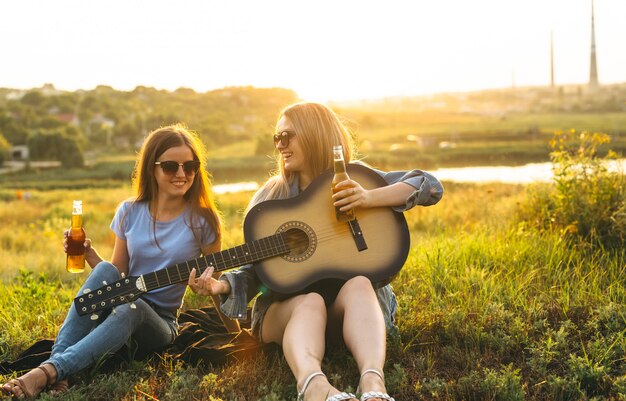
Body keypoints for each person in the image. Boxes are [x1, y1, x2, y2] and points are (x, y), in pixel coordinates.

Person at [190, 102, 444, 401]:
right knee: (309, 301)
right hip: (288, 314)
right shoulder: (271, 198)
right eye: (277, 138)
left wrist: (368, 197)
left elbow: (430, 186)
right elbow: (257, 270)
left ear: (315, 135)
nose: (280, 145)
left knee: (360, 284)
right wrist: (221, 285)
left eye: (288, 136)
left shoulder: (352, 179)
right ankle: (314, 387)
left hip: (347, 314)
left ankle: (373, 384)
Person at [2, 124, 227, 399]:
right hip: (121, 302)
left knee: (132, 307)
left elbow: (218, 285)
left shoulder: (203, 220)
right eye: (170, 166)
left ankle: (46, 372)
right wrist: (89, 255)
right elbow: (117, 276)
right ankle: (61, 374)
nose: (181, 174)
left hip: (159, 323)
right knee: (107, 270)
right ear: (152, 169)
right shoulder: (130, 211)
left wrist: (211, 292)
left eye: (189, 166)